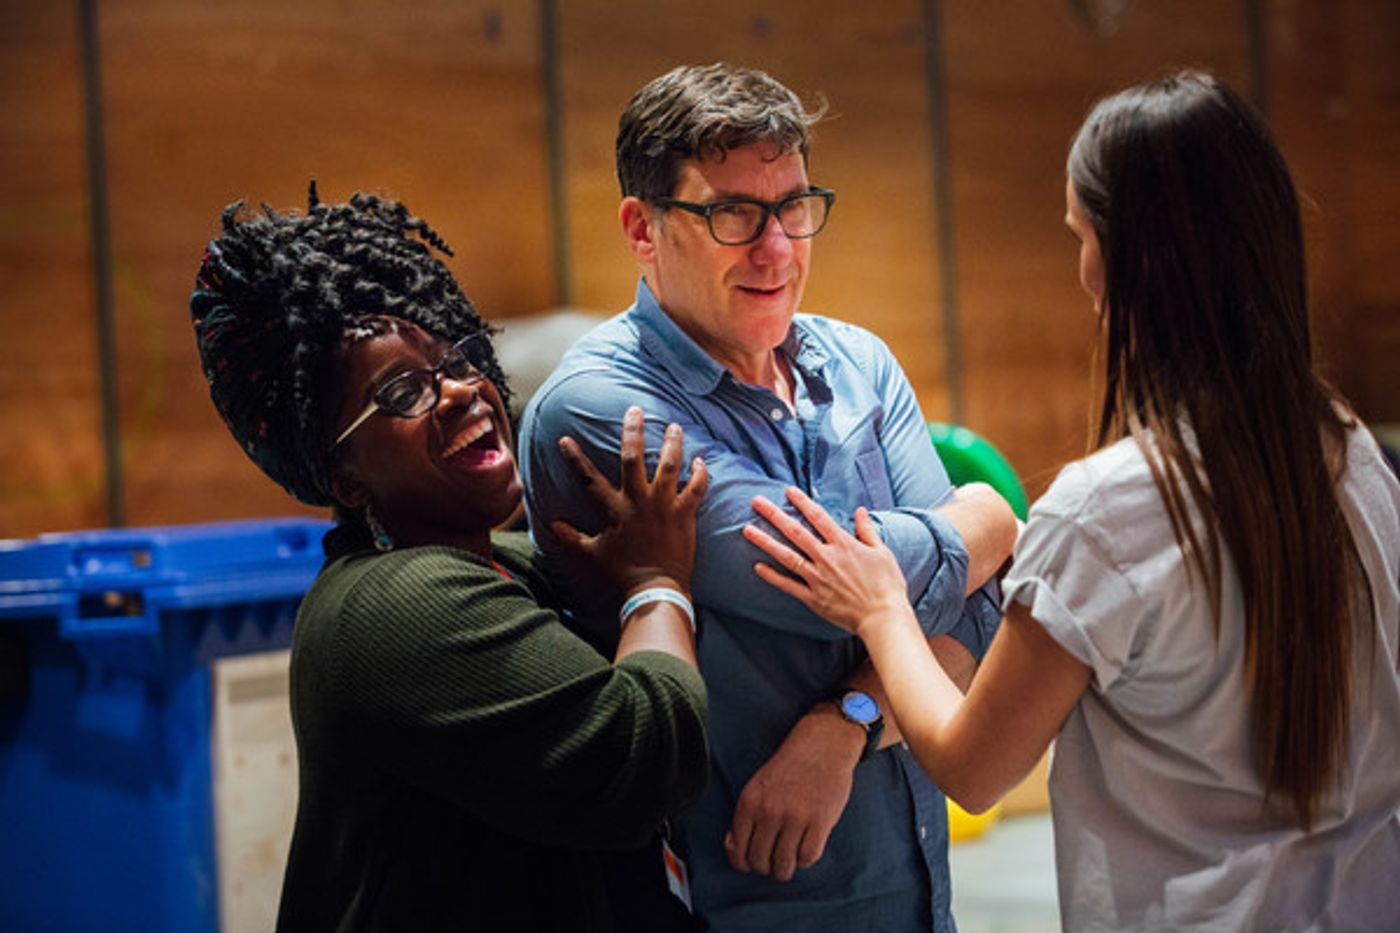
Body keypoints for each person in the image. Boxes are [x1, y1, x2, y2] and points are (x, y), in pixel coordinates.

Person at [744, 70, 1400, 931]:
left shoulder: (1108, 511)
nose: (1083, 273)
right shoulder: (1354, 452)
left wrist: (879, 606)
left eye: (1078, 235)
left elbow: (974, 766)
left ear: (1122, 258)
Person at [519, 63, 1016, 931]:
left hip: (918, 897)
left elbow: (973, 624)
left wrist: (849, 718)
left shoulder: (860, 363)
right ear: (643, 228)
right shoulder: (604, 410)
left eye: (792, 205)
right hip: (734, 902)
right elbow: (845, 600)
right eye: (732, 212)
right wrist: (984, 519)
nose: (777, 247)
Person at [189, 184, 713, 933]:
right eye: (404, 390)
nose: (462, 390)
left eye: (458, 357)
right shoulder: (397, 605)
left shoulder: (495, 561)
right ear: (345, 477)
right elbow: (642, 760)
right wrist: (658, 582)